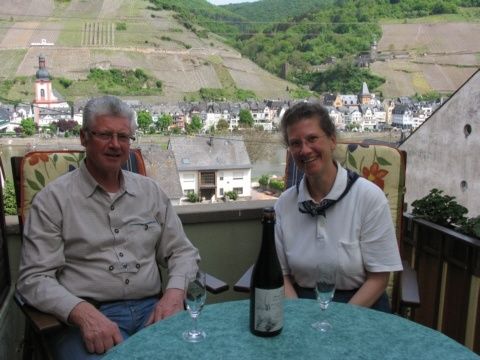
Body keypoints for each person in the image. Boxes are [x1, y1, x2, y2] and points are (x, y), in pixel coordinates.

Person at [16, 95, 200, 359]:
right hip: (89, 318)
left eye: (123, 137)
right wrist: (82, 313)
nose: (115, 145)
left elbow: (183, 252)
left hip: (154, 310)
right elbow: (33, 279)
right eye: (104, 135)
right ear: (84, 138)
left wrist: (174, 294)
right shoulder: (52, 200)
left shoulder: (150, 192)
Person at [274, 102, 403, 312]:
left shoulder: (369, 198)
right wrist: (298, 315)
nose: (305, 150)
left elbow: (379, 278)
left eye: (312, 139)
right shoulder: (285, 204)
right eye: (295, 143)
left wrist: (340, 322)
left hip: (360, 307)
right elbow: (281, 274)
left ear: (332, 140)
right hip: (300, 304)